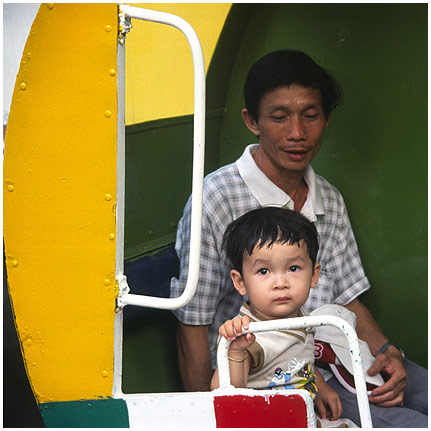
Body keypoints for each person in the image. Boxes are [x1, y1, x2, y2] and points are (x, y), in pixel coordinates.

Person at [170, 50, 427, 427]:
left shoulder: (329, 198)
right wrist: (210, 417)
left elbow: (347, 296)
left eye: (310, 116)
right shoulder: (215, 199)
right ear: (252, 121)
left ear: (326, 119)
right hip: (273, 375)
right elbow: (193, 322)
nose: (297, 133)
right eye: (279, 117)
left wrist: (388, 351)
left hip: (334, 351)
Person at [210, 207, 347, 424]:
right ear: (240, 282)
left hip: (303, 416)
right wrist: (235, 350)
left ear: (314, 275)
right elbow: (224, 395)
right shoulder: (246, 335)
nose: (281, 283)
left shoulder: (301, 316)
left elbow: (296, 360)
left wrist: (320, 386)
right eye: (264, 271)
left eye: (293, 268)